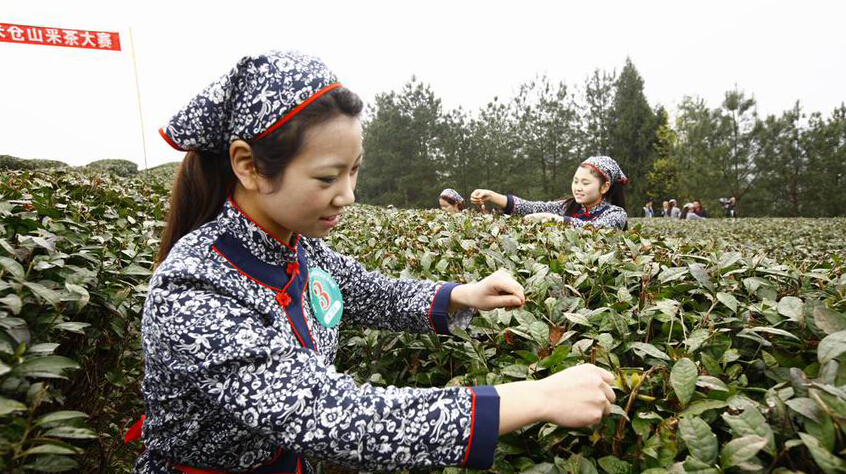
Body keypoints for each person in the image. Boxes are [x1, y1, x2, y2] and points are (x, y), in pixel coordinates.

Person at [129, 51, 616, 474]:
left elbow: (364, 292)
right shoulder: (195, 285)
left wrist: (461, 294)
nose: (348, 196)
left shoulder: (295, 246)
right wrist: (536, 398)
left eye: (354, 170)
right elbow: (330, 415)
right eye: (327, 178)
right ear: (248, 166)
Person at [470, 156, 629, 230]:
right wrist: (491, 195)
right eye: (575, 181)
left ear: (604, 187)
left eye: (585, 183)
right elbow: (531, 207)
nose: (578, 187)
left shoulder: (616, 214)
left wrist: (555, 220)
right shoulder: (567, 207)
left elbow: (596, 230)